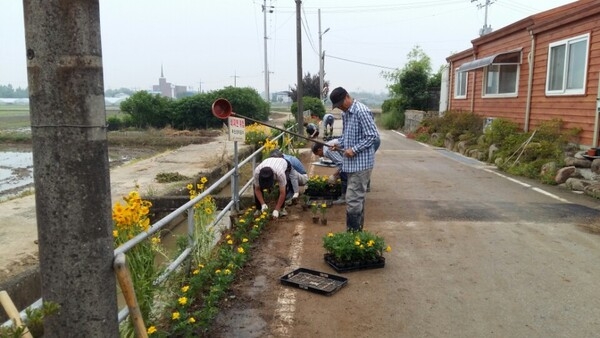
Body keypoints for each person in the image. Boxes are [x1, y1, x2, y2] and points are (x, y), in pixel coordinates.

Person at [329, 86, 379, 231]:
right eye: (337, 106)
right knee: (357, 199)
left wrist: (355, 149)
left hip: (361, 164)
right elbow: (346, 137)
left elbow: (372, 136)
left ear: (347, 97)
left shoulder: (361, 111)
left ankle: (353, 234)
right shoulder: (346, 114)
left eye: (340, 104)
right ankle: (357, 235)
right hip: (351, 164)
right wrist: (338, 144)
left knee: (352, 199)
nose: (340, 108)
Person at [311, 140, 346, 205]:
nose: (319, 156)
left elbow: (342, 163)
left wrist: (335, 175)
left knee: (343, 175)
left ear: (319, 150)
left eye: (317, 154)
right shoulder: (326, 146)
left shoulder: (327, 151)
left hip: (351, 155)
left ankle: (344, 198)